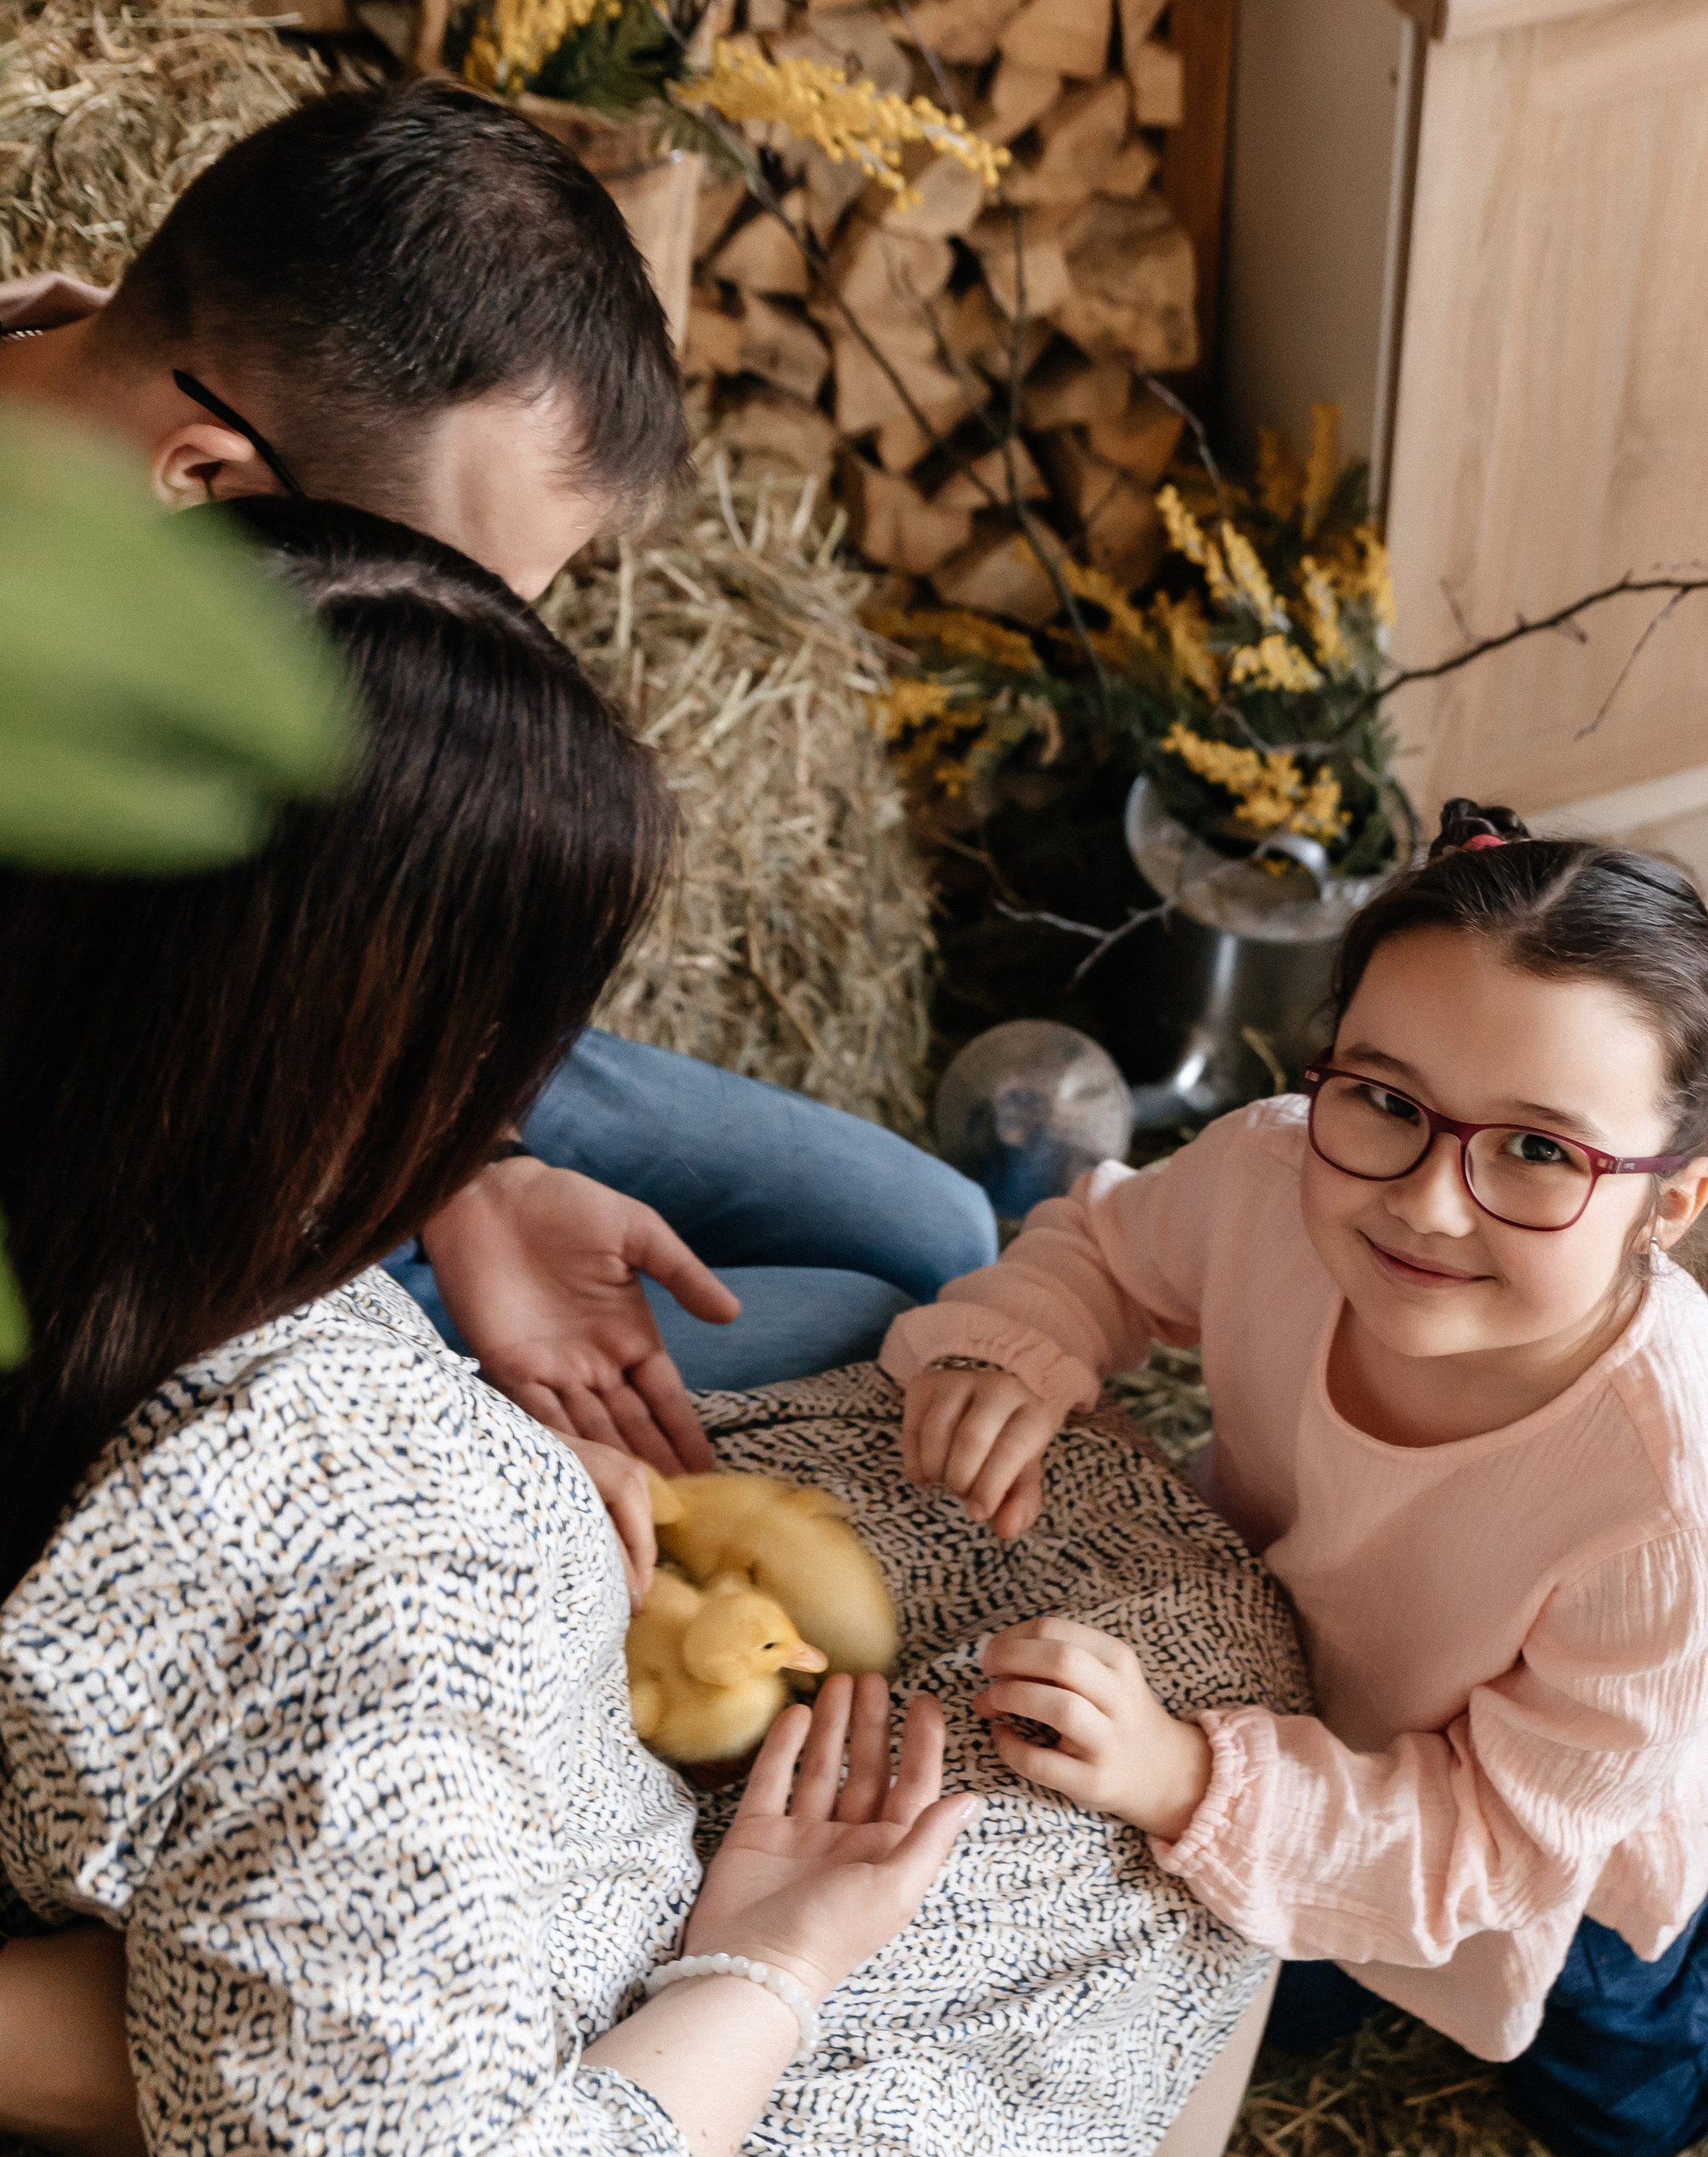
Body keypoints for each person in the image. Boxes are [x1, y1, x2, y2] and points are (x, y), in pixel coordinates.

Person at [0, 502, 1284, 2157]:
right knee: (1167, 1846)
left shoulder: (134, 1228)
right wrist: (767, 1962)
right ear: (343, 1069)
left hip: (475, 1755)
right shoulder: (335, 1558)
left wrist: (501, 1435)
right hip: (585, 2029)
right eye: (498, 1072)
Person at [0, 79, 997, 1465]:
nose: (501, 680)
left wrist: (474, 1160)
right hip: (188, 1148)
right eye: (448, 599)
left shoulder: (130, 424)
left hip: (370, 1012)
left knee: (946, 1242)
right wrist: (449, 1432)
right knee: (865, 1321)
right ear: (217, 489)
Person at [890, 798, 1708, 2157]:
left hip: (1532, 1814)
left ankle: (1707, 1733)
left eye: (1539, 1152)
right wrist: (1016, 1346)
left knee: (1622, 2098)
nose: (1431, 1206)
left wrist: (1191, 1780)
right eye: (1388, 1101)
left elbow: (1495, 1847)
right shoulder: (1275, 1173)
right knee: (1222, 1981)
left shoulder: (1676, 1511)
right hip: (1307, 1671)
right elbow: (1103, 1250)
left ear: (1670, 1206)